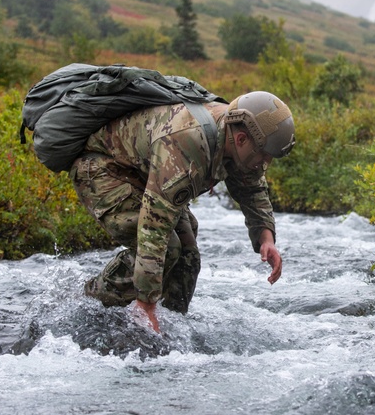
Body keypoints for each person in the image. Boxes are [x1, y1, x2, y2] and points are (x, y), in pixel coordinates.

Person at [69, 90, 295, 333]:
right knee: (168, 249)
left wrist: (266, 238)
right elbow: (154, 226)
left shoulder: (238, 137)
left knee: (188, 259)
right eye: (264, 156)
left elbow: (252, 187)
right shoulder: (188, 142)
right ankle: (89, 306)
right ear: (240, 140)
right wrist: (146, 304)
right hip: (104, 169)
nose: (265, 164)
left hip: (143, 171)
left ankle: (170, 330)